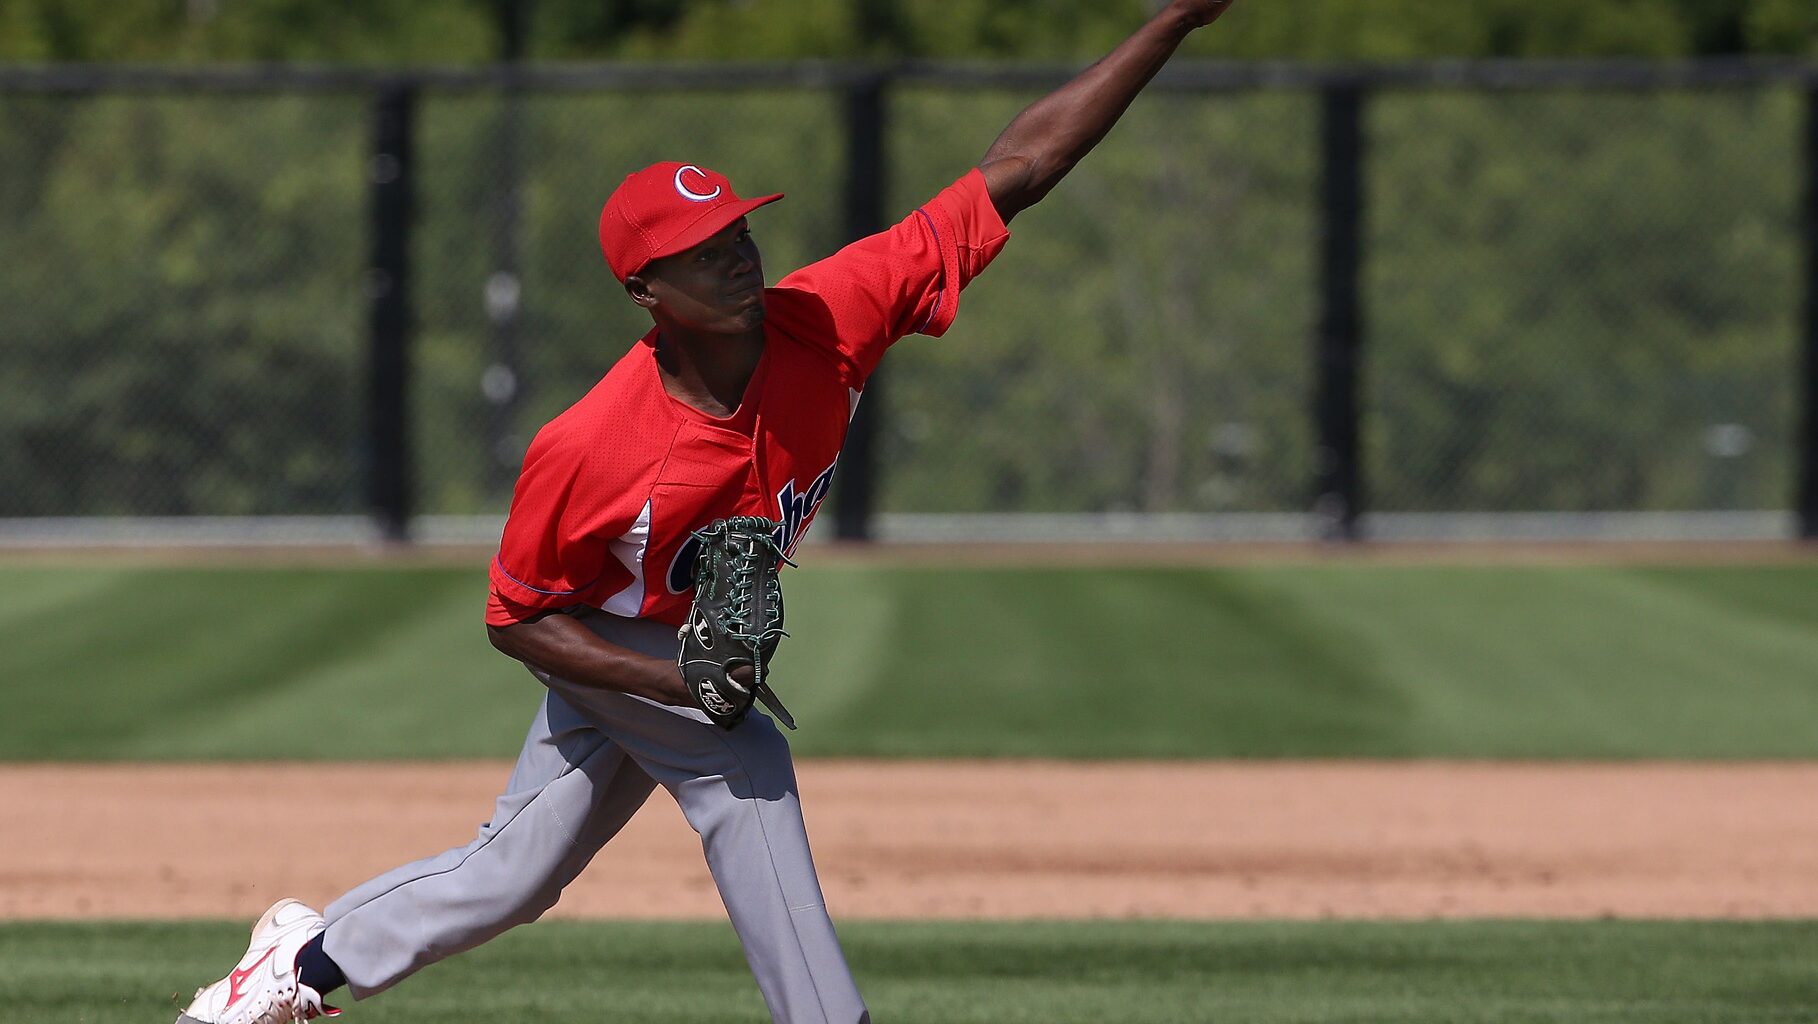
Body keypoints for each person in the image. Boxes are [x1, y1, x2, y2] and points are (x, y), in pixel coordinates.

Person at [173, 2, 1239, 1021]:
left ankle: (298, 964)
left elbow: (1022, 166)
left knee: (515, 873)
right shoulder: (592, 444)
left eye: (736, 229)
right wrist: (668, 676)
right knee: (744, 765)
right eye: (701, 247)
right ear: (646, 289)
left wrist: (1170, 21)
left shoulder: (833, 312)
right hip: (611, 633)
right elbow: (516, 616)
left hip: (680, 637)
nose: (736, 252)